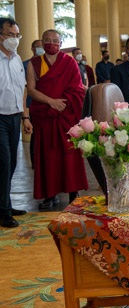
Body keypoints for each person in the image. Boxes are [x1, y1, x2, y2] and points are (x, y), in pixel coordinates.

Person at [27, 29, 88, 209]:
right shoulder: (35, 63)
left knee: (69, 155)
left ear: (61, 44)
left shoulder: (69, 62)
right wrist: (51, 102)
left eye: (55, 40)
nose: (51, 43)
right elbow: (31, 89)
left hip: (66, 115)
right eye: (47, 40)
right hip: (45, 116)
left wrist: (62, 104)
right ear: (42, 42)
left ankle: (73, 192)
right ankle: (49, 194)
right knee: (47, 156)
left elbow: (77, 89)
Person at [0, 18, 32, 227]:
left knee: (11, 163)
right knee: (3, 162)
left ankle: (5, 203)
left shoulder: (17, 59)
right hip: (0, 118)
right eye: (10, 35)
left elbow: (23, 89)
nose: (14, 39)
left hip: (14, 116)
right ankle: (3, 211)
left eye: (17, 36)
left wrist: (25, 116)